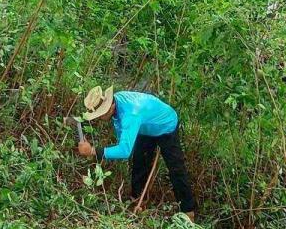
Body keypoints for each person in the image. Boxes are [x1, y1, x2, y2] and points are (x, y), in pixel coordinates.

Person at [76, 86, 197, 221]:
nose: (98, 118)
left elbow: (124, 151)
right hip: (144, 126)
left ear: (110, 107)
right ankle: (137, 200)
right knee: (140, 162)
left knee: (176, 168)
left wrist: (93, 151)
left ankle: (188, 212)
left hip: (165, 124)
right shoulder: (117, 101)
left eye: (100, 114)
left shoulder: (130, 114)